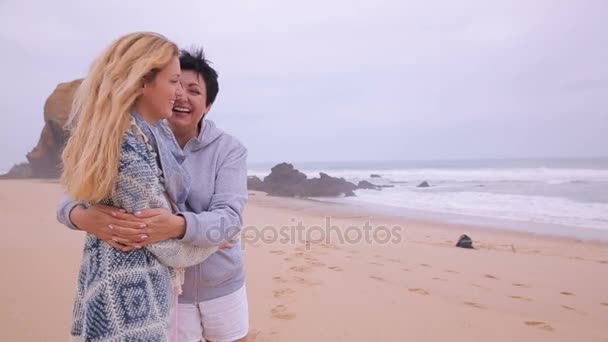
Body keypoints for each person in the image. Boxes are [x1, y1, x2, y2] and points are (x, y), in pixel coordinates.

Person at [58, 48, 250, 342]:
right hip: (165, 285)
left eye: (194, 90)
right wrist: (82, 217)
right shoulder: (135, 138)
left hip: (221, 283)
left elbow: (229, 218)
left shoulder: (228, 149)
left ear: (208, 105)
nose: (181, 96)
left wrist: (177, 225)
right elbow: (74, 193)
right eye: (175, 84)